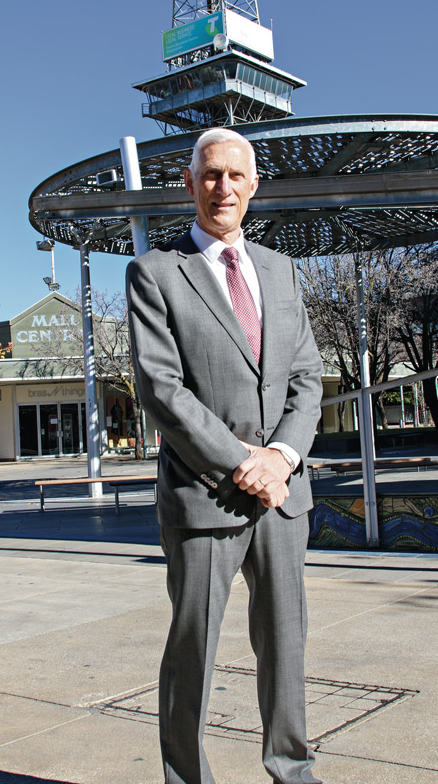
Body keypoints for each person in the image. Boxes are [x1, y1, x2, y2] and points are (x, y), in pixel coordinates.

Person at [126, 127, 324, 784]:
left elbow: (307, 380)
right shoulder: (155, 273)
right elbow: (161, 388)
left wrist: (283, 459)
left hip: (281, 499)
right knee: (193, 655)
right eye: (211, 174)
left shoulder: (282, 271)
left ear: (254, 186)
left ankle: (293, 770)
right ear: (189, 183)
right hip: (203, 495)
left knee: (286, 648)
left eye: (236, 175)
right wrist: (243, 463)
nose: (223, 187)